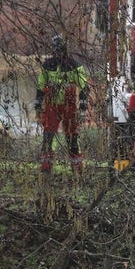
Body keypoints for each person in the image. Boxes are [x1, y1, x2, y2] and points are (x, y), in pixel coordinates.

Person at [34, 34, 89, 173]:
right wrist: (37, 106)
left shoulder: (74, 66)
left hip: (69, 106)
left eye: (60, 50)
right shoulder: (47, 65)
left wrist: (82, 108)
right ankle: (46, 167)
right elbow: (40, 86)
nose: (57, 53)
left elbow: (84, 87)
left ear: (65, 50)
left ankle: (77, 168)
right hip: (52, 106)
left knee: (72, 137)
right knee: (48, 136)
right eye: (55, 50)